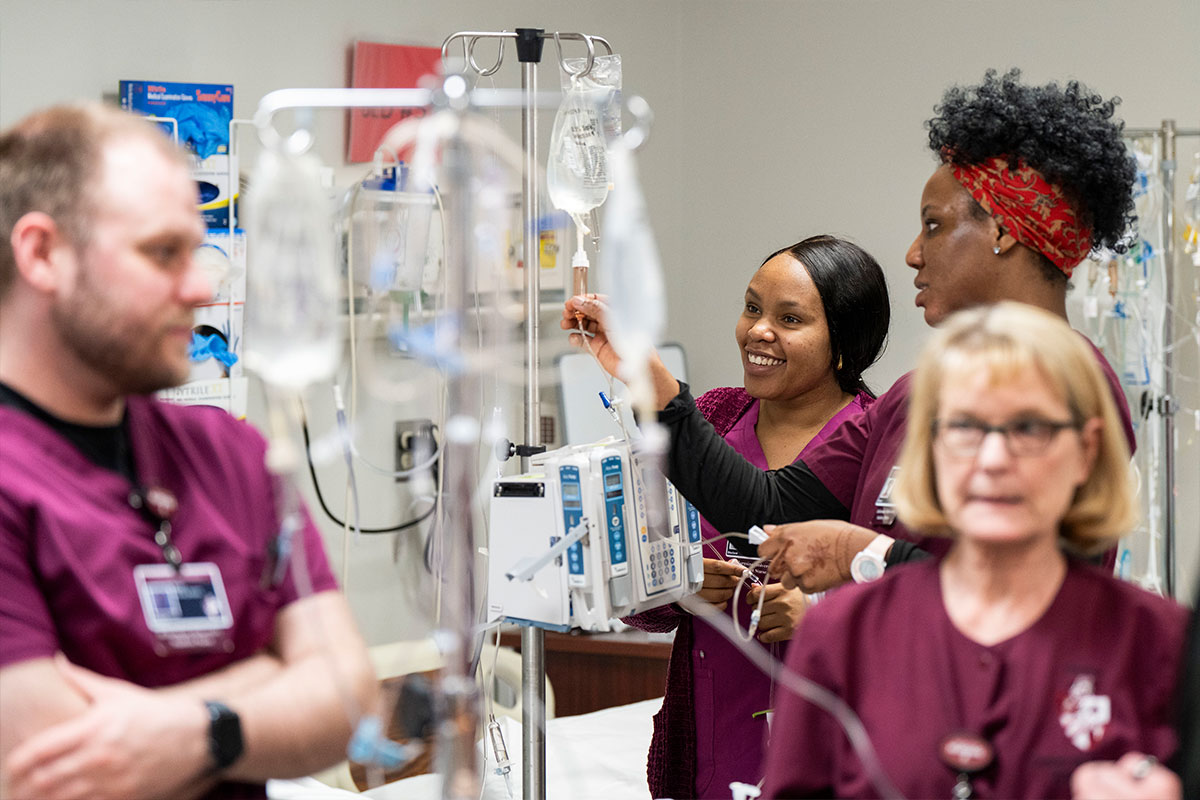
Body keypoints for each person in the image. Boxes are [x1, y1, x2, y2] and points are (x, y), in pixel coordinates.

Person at [563, 68, 1138, 592]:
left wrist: (861, 555)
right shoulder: (916, 396)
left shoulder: (1067, 390)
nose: (913, 254)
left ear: (1004, 232)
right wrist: (645, 374)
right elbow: (767, 505)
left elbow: (1027, 593)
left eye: (934, 226)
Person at [0, 104, 376, 800]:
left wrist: (200, 731)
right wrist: (267, 680)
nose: (203, 286)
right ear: (43, 254)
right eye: (161, 253)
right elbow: (53, 772)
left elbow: (349, 700)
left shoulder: (230, 453)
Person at [761, 302, 1187, 799]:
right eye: (964, 427)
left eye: (1029, 428)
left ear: (1086, 452)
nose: (993, 459)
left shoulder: (1159, 645)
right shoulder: (842, 635)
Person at [621, 235, 889, 799]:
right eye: (751, 308)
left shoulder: (876, 444)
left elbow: (912, 602)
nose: (758, 331)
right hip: (708, 743)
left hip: (833, 750)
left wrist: (821, 612)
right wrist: (679, 585)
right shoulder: (711, 419)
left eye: (789, 319)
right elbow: (635, 599)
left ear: (843, 342)